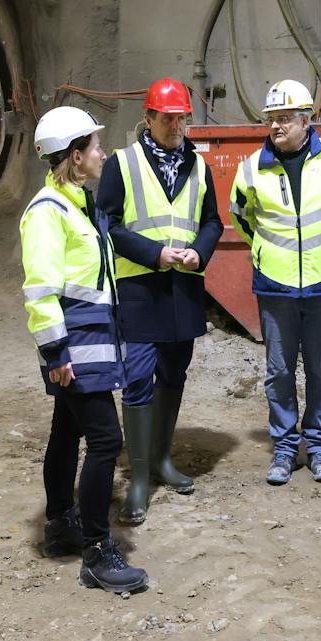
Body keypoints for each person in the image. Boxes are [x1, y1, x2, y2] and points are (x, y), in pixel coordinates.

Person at [19, 105, 147, 593]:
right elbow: (41, 290)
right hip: (75, 345)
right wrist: (56, 354)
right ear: (75, 157)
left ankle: (59, 526)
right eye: (95, 146)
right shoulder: (47, 213)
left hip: (90, 339)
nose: (103, 152)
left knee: (67, 431)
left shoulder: (79, 205)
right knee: (107, 441)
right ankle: (96, 549)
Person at [229, 80, 321, 486]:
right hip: (275, 287)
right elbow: (241, 215)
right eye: (271, 119)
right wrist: (267, 250)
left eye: (283, 119)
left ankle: (316, 447)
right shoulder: (251, 168)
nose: (275, 127)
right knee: (278, 372)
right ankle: (283, 450)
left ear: (305, 119)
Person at [96, 78, 224, 524]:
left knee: (174, 374)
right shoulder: (122, 164)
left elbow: (212, 222)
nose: (175, 125)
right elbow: (108, 225)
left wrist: (199, 251)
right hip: (140, 290)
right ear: (148, 118)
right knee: (138, 380)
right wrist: (154, 253)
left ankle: (162, 460)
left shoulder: (198, 165)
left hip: (183, 289)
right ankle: (138, 479)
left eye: (182, 117)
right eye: (167, 117)